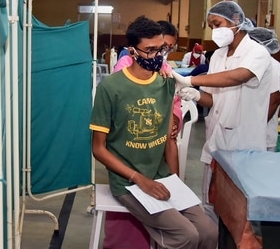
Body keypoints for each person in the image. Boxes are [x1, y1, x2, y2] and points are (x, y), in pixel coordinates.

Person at [90, 16, 218, 249]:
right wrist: (139, 179)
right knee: (187, 235)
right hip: (128, 182)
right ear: (132, 51)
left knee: (209, 231)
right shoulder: (111, 88)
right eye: (149, 50)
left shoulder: (166, 83)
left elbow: (169, 140)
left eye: (161, 49)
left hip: (161, 175)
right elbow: (98, 148)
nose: (157, 56)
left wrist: (176, 180)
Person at [172, 0, 272, 222]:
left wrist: (190, 80)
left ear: (236, 21)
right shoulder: (217, 56)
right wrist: (197, 95)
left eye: (217, 24)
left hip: (242, 144)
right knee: (210, 202)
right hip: (216, 141)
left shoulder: (256, 52)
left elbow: (239, 76)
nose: (214, 31)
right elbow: (213, 98)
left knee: (237, 211)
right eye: (211, 26)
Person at [247, 27, 280, 151]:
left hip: (262, 135)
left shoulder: (274, 68)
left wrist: (255, 130)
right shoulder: (252, 64)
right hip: (247, 131)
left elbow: (273, 101)